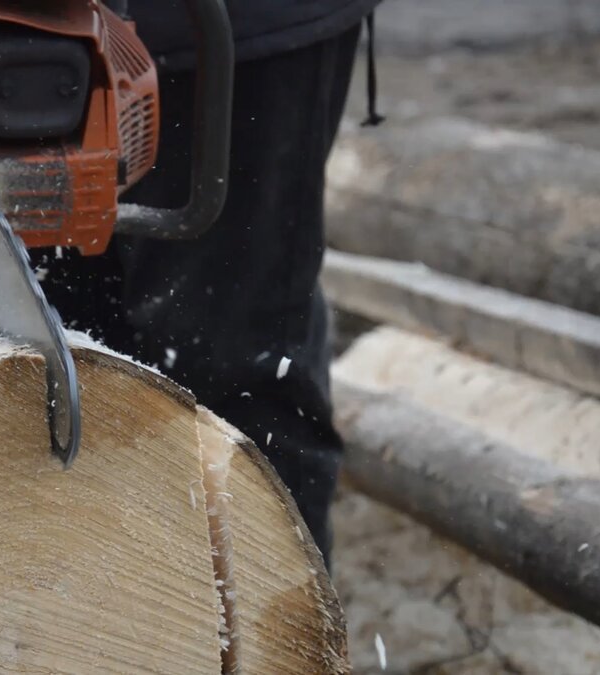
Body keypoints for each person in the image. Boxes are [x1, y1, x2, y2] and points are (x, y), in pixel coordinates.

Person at [33, 0, 383, 570]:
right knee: (61, 345)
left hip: (235, 32)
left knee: (231, 371)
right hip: (39, 33)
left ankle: (272, 634)